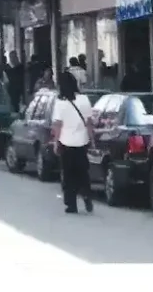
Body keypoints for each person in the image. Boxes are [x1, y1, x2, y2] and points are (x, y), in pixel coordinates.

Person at [51, 71, 95, 214]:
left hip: (66, 143)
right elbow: (89, 122)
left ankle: (71, 204)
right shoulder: (84, 100)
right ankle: (87, 196)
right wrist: (92, 140)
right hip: (82, 142)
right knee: (83, 172)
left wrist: (56, 142)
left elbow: (57, 125)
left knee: (68, 175)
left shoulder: (60, 103)